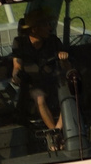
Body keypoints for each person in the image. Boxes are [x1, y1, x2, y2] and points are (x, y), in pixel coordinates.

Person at [10, 9, 70, 139]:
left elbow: (67, 68)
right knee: (39, 97)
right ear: (34, 29)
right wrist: (16, 76)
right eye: (46, 25)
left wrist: (64, 59)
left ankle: (57, 132)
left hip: (54, 82)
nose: (50, 28)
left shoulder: (54, 41)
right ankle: (54, 132)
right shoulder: (20, 43)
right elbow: (17, 65)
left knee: (69, 95)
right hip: (32, 84)